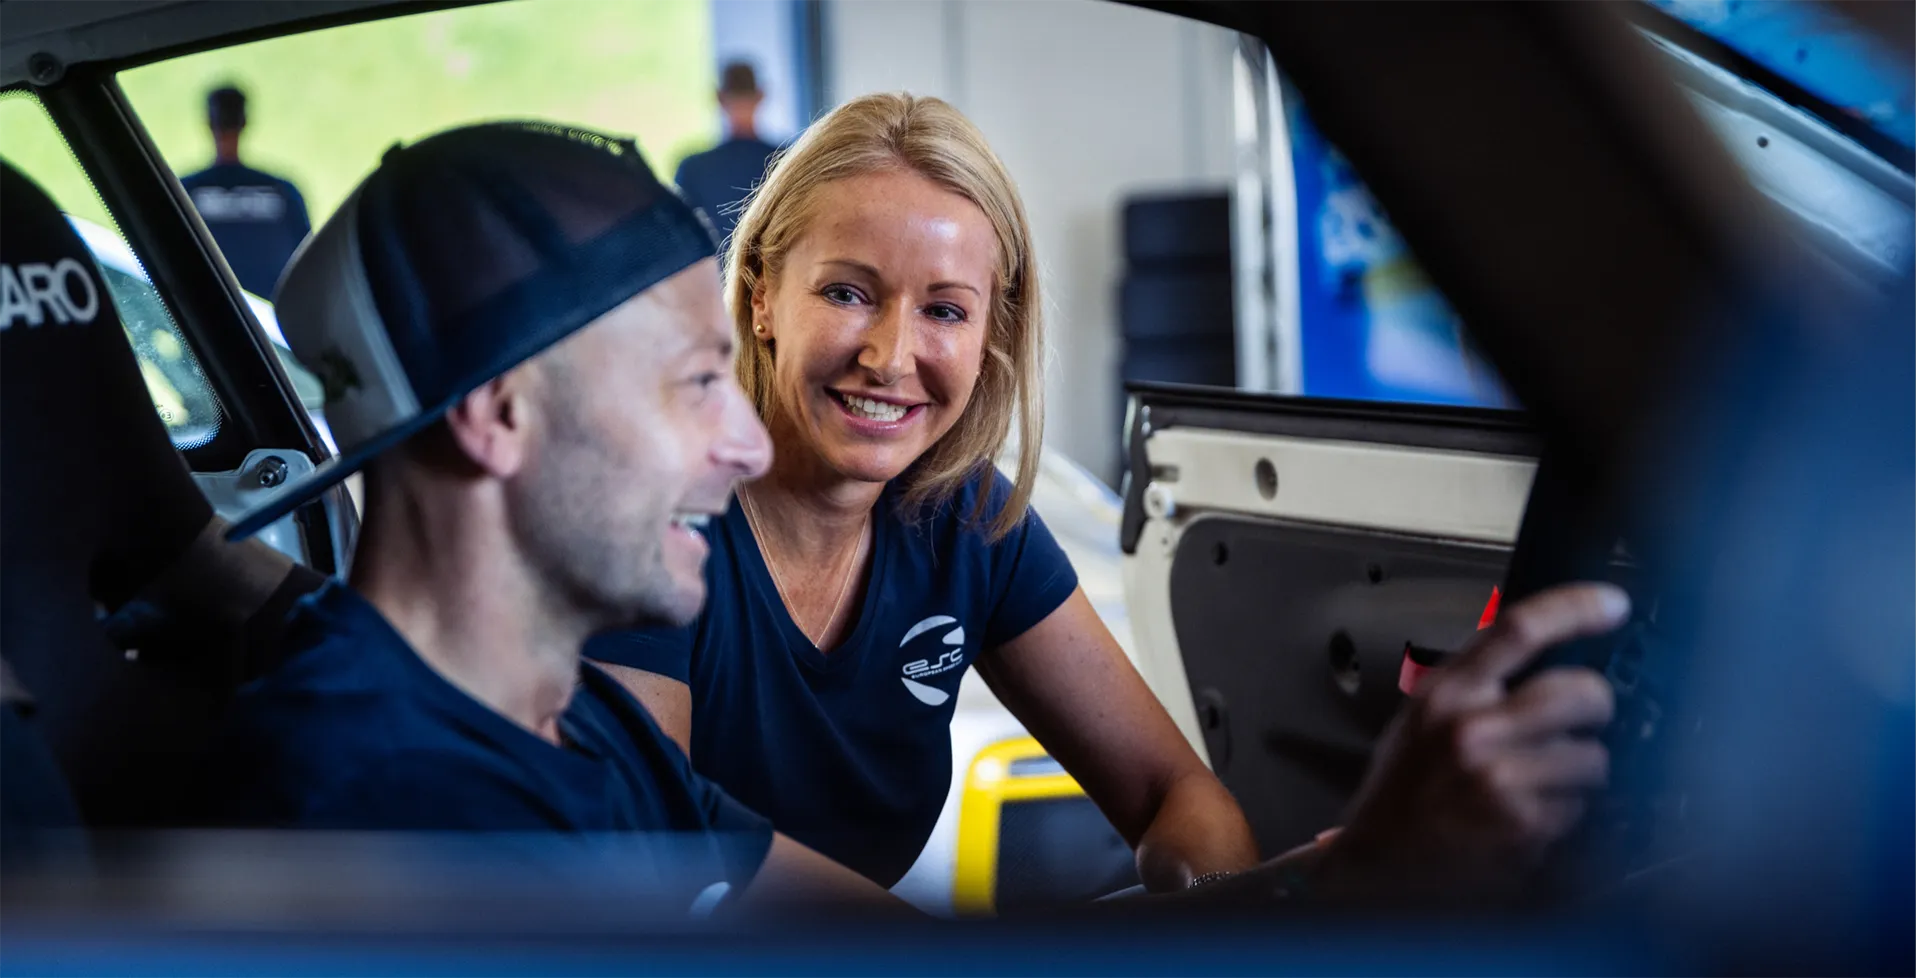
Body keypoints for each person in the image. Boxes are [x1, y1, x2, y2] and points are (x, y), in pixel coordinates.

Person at [207, 118, 1627, 918]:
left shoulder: (577, 764)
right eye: (697, 380)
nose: (736, 432)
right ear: (497, 414)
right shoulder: (396, 816)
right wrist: (1359, 883)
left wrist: (1317, 884)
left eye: (947, 308)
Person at [579, 92, 1602, 896]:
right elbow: (671, 857)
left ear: (991, 335)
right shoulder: (664, 521)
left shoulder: (966, 520)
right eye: (847, 292)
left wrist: (1221, 906)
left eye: (945, 309)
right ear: (761, 295)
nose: (893, 355)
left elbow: (1174, 793)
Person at [203, 121, 892, 915]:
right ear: (500, 416)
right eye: (699, 382)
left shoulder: (569, 715)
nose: (750, 448)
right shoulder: (380, 823)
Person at [179, 86, 312, 298]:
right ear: (244, 122)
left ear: (208, 123)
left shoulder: (183, 192)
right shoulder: (282, 192)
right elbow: (306, 264)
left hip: (205, 317)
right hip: (266, 321)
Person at [673, 61, 782, 248]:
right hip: (773, 274)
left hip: (715, 276)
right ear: (761, 95)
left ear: (719, 97)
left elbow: (681, 241)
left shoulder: (694, 169)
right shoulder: (786, 161)